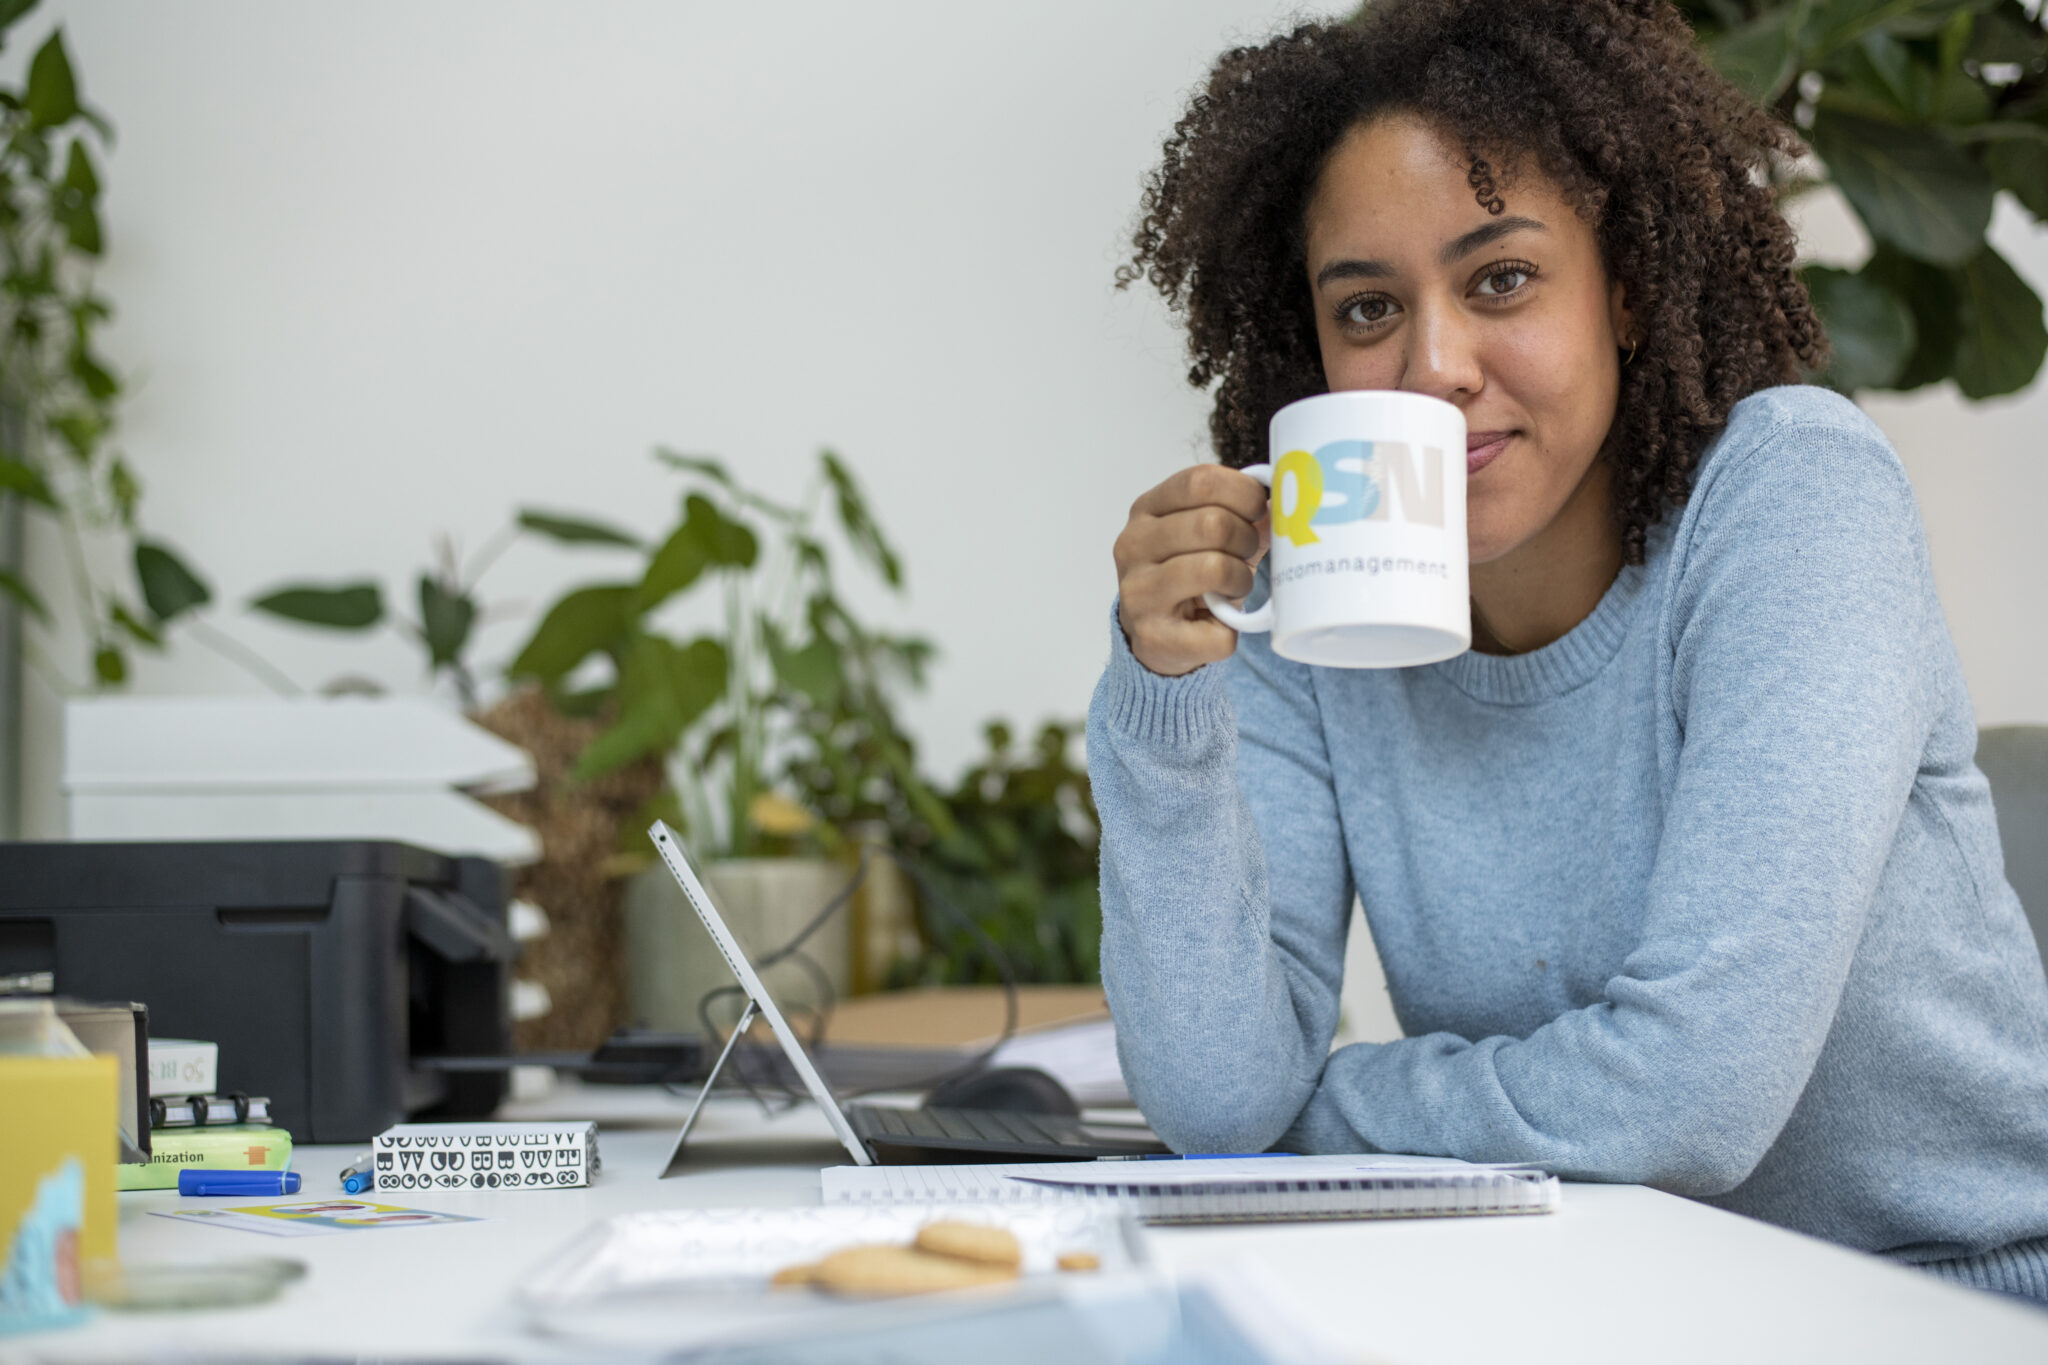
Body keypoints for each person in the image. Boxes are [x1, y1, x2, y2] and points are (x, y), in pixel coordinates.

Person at [1089, 0, 2048, 1301]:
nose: (1435, 366)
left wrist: (1323, 1111)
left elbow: (1689, 1099)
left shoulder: (1792, 496)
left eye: (1502, 279)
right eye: (1368, 308)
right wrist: (1165, 700)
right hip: (1612, 1296)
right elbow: (1217, 1095)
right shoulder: (1313, 593)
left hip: (1952, 1294)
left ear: (1630, 290)